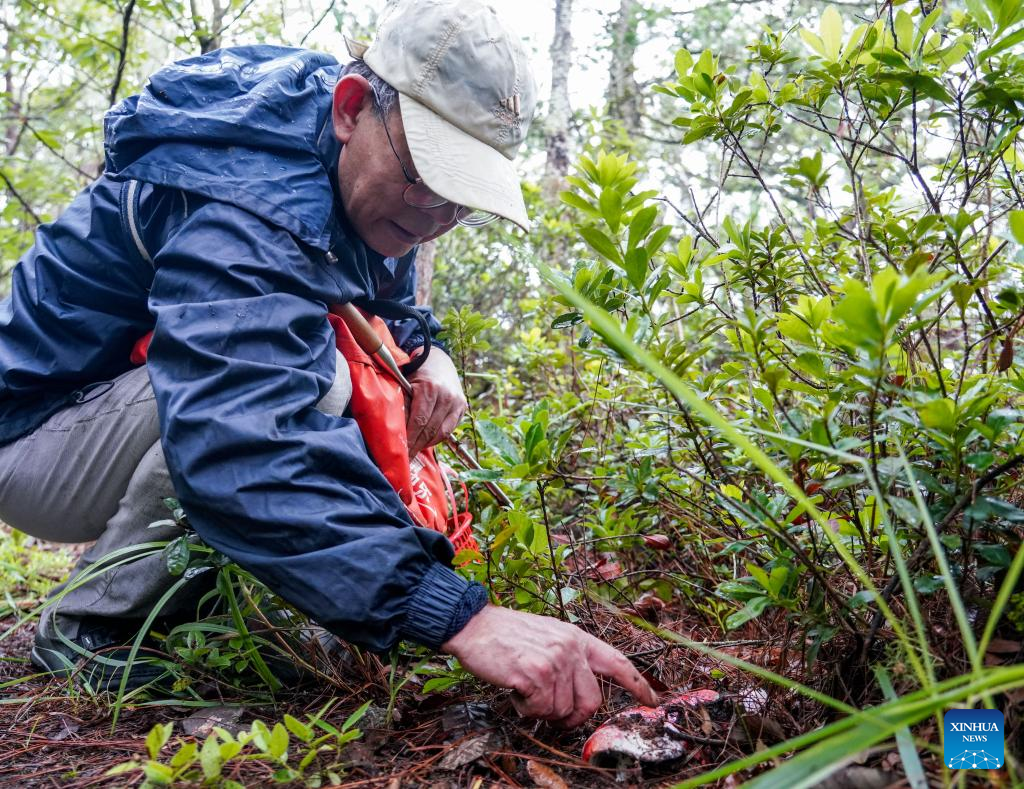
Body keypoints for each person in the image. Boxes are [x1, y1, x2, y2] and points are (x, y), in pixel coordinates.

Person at [0, 0, 656, 727]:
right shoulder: (243, 196)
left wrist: (433, 352)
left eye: (461, 197)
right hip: (28, 438)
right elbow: (240, 434)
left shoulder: (347, 169)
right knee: (315, 378)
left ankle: (189, 608)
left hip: (103, 419)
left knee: (339, 375)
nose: (435, 213)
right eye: (424, 174)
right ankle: (91, 626)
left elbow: (385, 302)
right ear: (350, 109)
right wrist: (456, 616)